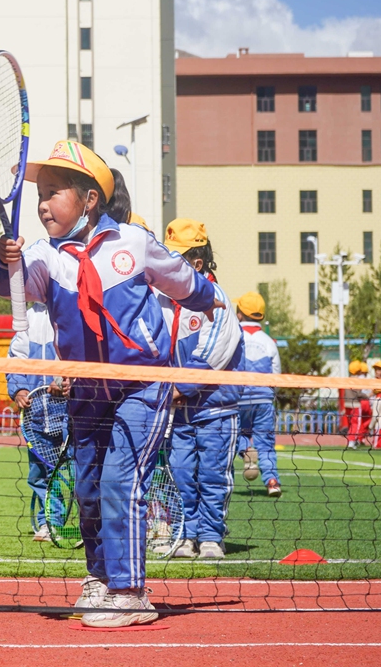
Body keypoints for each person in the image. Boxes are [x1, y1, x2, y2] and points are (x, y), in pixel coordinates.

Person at [0, 140, 219, 628]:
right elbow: (10, 282)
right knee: (89, 486)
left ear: (90, 199)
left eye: (54, 192)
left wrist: (209, 297)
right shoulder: (44, 258)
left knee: (120, 480)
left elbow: (179, 278)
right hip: (86, 388)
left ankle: (131, 590)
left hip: (142, 382)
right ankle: (101, 578)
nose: (42, 202)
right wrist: (1, 260)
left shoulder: (134, 243)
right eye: (39, 193)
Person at [159, 220, 244, 560]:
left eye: (176, 259)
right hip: (178, 411)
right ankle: (186, 535)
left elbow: (214, 355)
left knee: (212, 476)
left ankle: (211, 536)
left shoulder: (217, 299)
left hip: (216, 409)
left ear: (195, 263)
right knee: (180, 474)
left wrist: (178, 388)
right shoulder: (164, 302)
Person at [6, 302, 67, 540]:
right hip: (35, 416)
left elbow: (80, 355)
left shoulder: (70, 310)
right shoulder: (25, 319)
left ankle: (92, 525)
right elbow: (14, 362)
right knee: (39, 473)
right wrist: (19, 390)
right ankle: (49, 523)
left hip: (68, 413)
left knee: (79, 473)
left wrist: (62, 379)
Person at [234, 292, 282, 497]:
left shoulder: (234, 337)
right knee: (266, 443)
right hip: (263, 398)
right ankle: (272, 481)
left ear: (239, 314)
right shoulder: (269, 342)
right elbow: (277, 374)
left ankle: (245, 449)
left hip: (237, 396)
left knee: (231, 434)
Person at [344, 360, 371, 449]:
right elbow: (358, 394)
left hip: (347, 404)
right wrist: (367, 396)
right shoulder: (356, 381)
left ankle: (351, 440)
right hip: (355, 405)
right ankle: (352, 441)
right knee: (356, 424)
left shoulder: (347, 379)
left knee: (351, 424)